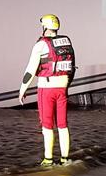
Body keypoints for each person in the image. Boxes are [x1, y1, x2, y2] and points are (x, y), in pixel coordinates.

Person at [19, 14, 76, 166]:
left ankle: (48, 160)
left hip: (47, 88)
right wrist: (66, 86)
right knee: (63, 125)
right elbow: (72, 67)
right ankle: (65, 159)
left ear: (44, 27)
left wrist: (22, 89)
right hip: (62, 88)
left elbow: (30, 70)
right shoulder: (66, 42)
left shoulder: (40, 45)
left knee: (47, 126)